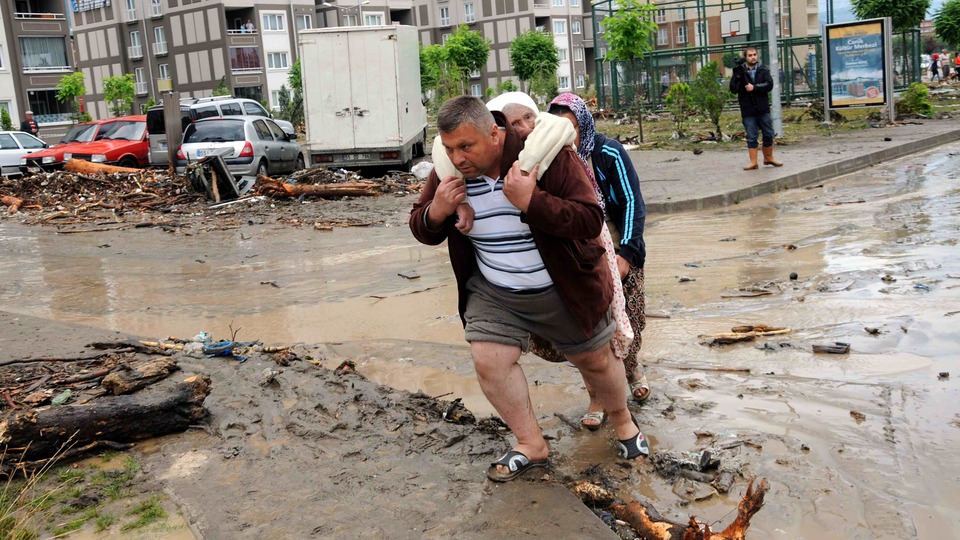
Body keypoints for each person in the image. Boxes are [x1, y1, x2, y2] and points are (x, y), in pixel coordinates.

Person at [409, 96, 649, 482]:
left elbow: (590, 219)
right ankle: (530, 443)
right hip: (495, 289)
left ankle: (623, 422)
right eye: (450, 148)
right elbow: (421, 227)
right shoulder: (448, 169)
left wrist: (531, 201)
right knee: (488, 359)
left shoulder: (546, 155)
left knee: (596, 362)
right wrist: (436, 210)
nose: (457, 157)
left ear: (494, 132)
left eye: (466, 147)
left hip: (563, 284)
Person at [545, 93, 651, 428]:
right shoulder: (548, 160)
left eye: (572, 128)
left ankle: (631, 369)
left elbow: (632, 202)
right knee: (589, 328)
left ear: (584, 126)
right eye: (558, 129)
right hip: (579, 253)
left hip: (618, 243)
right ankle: (596, 396)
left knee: (628, 318)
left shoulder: (607, 153)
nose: (567, 137)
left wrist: (627, 254)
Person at [729, 47, 783, 170]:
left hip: (762, 108)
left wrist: (755, 87)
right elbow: (733, 89)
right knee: (751, 135)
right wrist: (737, 78)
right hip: (748, 110)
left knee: (768, 133)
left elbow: (769, 84)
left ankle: (768, 158)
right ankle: (753, 162)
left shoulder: (763, 70)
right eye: (750, 55)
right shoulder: (740, 72)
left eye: (754, 55)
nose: (753, 57)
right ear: (745, 57)